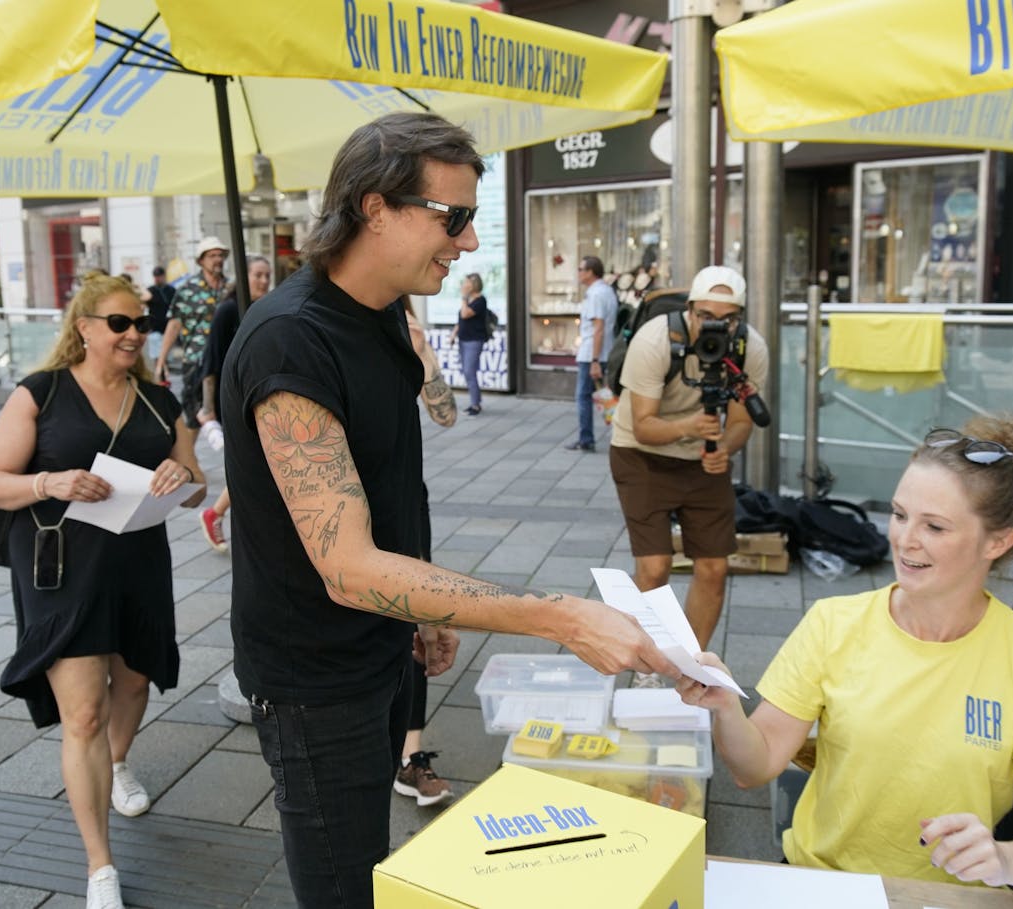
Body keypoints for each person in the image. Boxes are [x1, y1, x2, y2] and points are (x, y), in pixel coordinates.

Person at [219, 111, 675, 908]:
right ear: (373, 207)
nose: (467, 243)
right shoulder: (291, 341)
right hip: (314, 682)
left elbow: (385, 483)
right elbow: (348, 565)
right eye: (453, 217)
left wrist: (417, 609)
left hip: (378, 648)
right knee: (344, 886)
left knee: (374, 855)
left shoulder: (384, 314)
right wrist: (557, 616)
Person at [677, 414, 1013, 891]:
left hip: (949, 898)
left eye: (935, 526)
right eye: (899, 515)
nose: (904, 539)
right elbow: (755, 767)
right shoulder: (835, 623)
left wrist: (1005, 859)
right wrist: (727, 708)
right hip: (823, 885)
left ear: (997, 542)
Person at [0, 275, 205, 909]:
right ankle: (99, 865)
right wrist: (51, 482)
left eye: (141, 324)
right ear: (84, 328)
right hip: (61, 568)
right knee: (82, 715)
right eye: (120, 323)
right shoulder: (40, 394)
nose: (135, 333)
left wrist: (181, 472)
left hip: (136, 560)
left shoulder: (159, 400)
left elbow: (199, 484)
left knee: (133, 682)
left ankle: (120, 760)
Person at [610, 265, 770, 656]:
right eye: (706, 317)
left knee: (715, 568)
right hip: (640, 454)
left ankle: (690, 666)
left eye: (728, 319)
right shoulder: (656, 340)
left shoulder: (750, 349)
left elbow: (739, 423)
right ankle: (645, 659)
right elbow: (644, 426)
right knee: (655, 567)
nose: (716, 327)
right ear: (691, 309)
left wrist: (725, 452)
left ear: (740, 319)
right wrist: (691, 427)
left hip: (702, 457)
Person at [394, 297, 457, 808]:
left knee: (420, 620)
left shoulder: (406, 332)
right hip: (340, 506)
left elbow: (446, 415)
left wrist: (425, 355)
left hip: (406, 500)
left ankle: (410, 756)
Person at [194, 255, 270, 553]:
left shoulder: (264, 308)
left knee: (257, 464)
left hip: (259, 396)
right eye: (258, 275)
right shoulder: (228, 310)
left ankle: (218, 513)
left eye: (267, 275)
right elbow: (211, 361)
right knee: (253, 463)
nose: (263, 281)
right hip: (234, 400)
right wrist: (208, 407)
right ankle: (216, 513)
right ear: (244, 276)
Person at [157, 238, 229, 427]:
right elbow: (174, 324)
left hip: (224, 365)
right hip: (196, 363)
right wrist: (162, 359)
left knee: (227, 420)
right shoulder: (187, 289)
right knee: (194, 422)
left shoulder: (230, 288)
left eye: (221, 255)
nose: (218, 259)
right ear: (201, 261)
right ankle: (186, 456)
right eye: (212, 255)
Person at [564, 255, 617, 452]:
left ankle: (586, 439)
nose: (578, 273)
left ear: (590, 272)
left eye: (580, 269)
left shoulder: (596, 294)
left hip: (592, 354)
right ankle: (616, 434)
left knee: (584, 397)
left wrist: (594, 360)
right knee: (606, 396)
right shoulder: (606, 290)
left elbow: (599, 328)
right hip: (602, 352)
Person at [450, 273, 489, 416]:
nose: (463, 285)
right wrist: (453, 334)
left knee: (469, 372)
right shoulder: (469, 300)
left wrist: (464, 297)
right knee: (468, 372)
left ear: (474, 285)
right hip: (463, 340)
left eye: (466, 283)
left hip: (474, 341)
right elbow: (461, 320)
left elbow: (465, 314)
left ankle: (475, 405)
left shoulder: (480, 301)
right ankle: (476, 400)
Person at [146, 266, 176, 372]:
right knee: (156, 356)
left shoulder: (171, 290)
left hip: (168, 328)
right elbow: (143, 298)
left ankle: (164, 376)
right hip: (155, 328)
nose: (157, 278)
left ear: (164, 276)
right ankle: (160, 375)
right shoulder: (150, 291)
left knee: (166, 356)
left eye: (159, 276)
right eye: (155, 276)